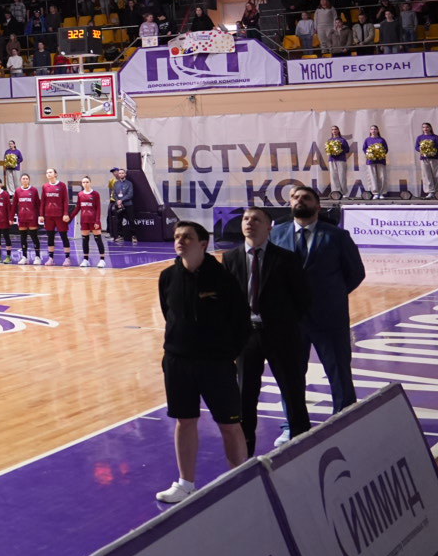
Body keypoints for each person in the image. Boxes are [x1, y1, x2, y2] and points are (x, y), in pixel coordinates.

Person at [155, 221, 250, 504]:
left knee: (230, 424)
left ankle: (242, 480)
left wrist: (226, 353)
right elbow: (168, 313)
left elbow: (241, 321)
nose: (180, 241)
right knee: (184, 421)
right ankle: (186, 484)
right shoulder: (167, 277)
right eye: (177, 236)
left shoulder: (223, 278)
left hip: (216, 364)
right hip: (178, 363)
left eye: (187, 237)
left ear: (203, 243)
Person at [220, 208, 313, 454]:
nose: (249, 223)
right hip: (246, 337)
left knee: (293, 393)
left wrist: (284, 323)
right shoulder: (230, 258)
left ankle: (304, 448)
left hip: (280, 335)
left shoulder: (286, 258)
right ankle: (245, 454)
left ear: (269, 227)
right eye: (246, 219)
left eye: (256, 219)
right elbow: (226, 301)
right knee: (245, 398)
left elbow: (302, 298)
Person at [266, 186, 366, 413]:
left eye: (306, 198)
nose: (299, 201)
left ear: (318, 206)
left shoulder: (337, 236)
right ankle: (293, 423)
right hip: (290, 320)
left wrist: (332, 294)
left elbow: (355, 273)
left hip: (329, 318)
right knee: (291, 375)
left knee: (339, 373)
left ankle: (345, 420)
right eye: (295, 197)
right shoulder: (276, 234)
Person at [74, 177, 107, 267]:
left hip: (94, 220)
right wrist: (70, 217)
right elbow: (78, 207)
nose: (85, 183)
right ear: (82, 184)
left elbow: (98, 208)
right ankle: (85, 260)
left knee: (98, 240)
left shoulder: (95, 194)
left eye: (87, 182)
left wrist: (97, 221)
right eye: (83, 182)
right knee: (85, 240)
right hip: (84, 220)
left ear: (90, 183)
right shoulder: (80, 194)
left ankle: (102, 260)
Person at [40, 168, 71, 264]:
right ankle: (50, 258)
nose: (48, 174)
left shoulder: (62, 185)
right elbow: (43, 201)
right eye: (47, 172)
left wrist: (65, 213)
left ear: (55, 174)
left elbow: (65, 200)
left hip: (60, 215)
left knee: (63, 236)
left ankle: (67, 258)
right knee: (50, 237)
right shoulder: (45, 186)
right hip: (48, 216)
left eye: (50, 172)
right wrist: (41, 215)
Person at [417, 123, 438, 199]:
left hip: (435, 158)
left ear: (430, 128)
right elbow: (416, 147)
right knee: (426, 175)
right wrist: (421, 148)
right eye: (424, 127)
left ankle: (437, 191)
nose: (425, 129)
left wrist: (432, 146)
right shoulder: (420, 137)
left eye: (427, 127)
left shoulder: (435, 137)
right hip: (424, 158)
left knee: (436, 175)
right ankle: (430, 191)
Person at [323, 127, 352, 198]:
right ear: (331, 131)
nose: (334, 131)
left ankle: (344, 193)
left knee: (342, 176)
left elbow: (347, 150)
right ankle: (336, 193)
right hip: (332, 160)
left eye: (335, 129)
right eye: (332, 129)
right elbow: (327, 150)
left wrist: (339, 149)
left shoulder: (342, 140)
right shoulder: (329, 141)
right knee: (334, 177)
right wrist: (331, 150)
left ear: (338, 130)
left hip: (341, 160)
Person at [361, 125, 389, 198]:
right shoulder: (367, 140)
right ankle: (375, 193)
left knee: (382, 176)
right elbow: (364, 149)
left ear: (378, 130)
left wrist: (380, 154)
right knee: (372, 177)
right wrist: (370, 154)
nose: (373, 130)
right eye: (372, 129)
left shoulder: (381, 139)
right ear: (370, 131)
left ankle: (382, 193)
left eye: (375, 129)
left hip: (380, 161)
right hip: (370, 161)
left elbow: (386, 149)